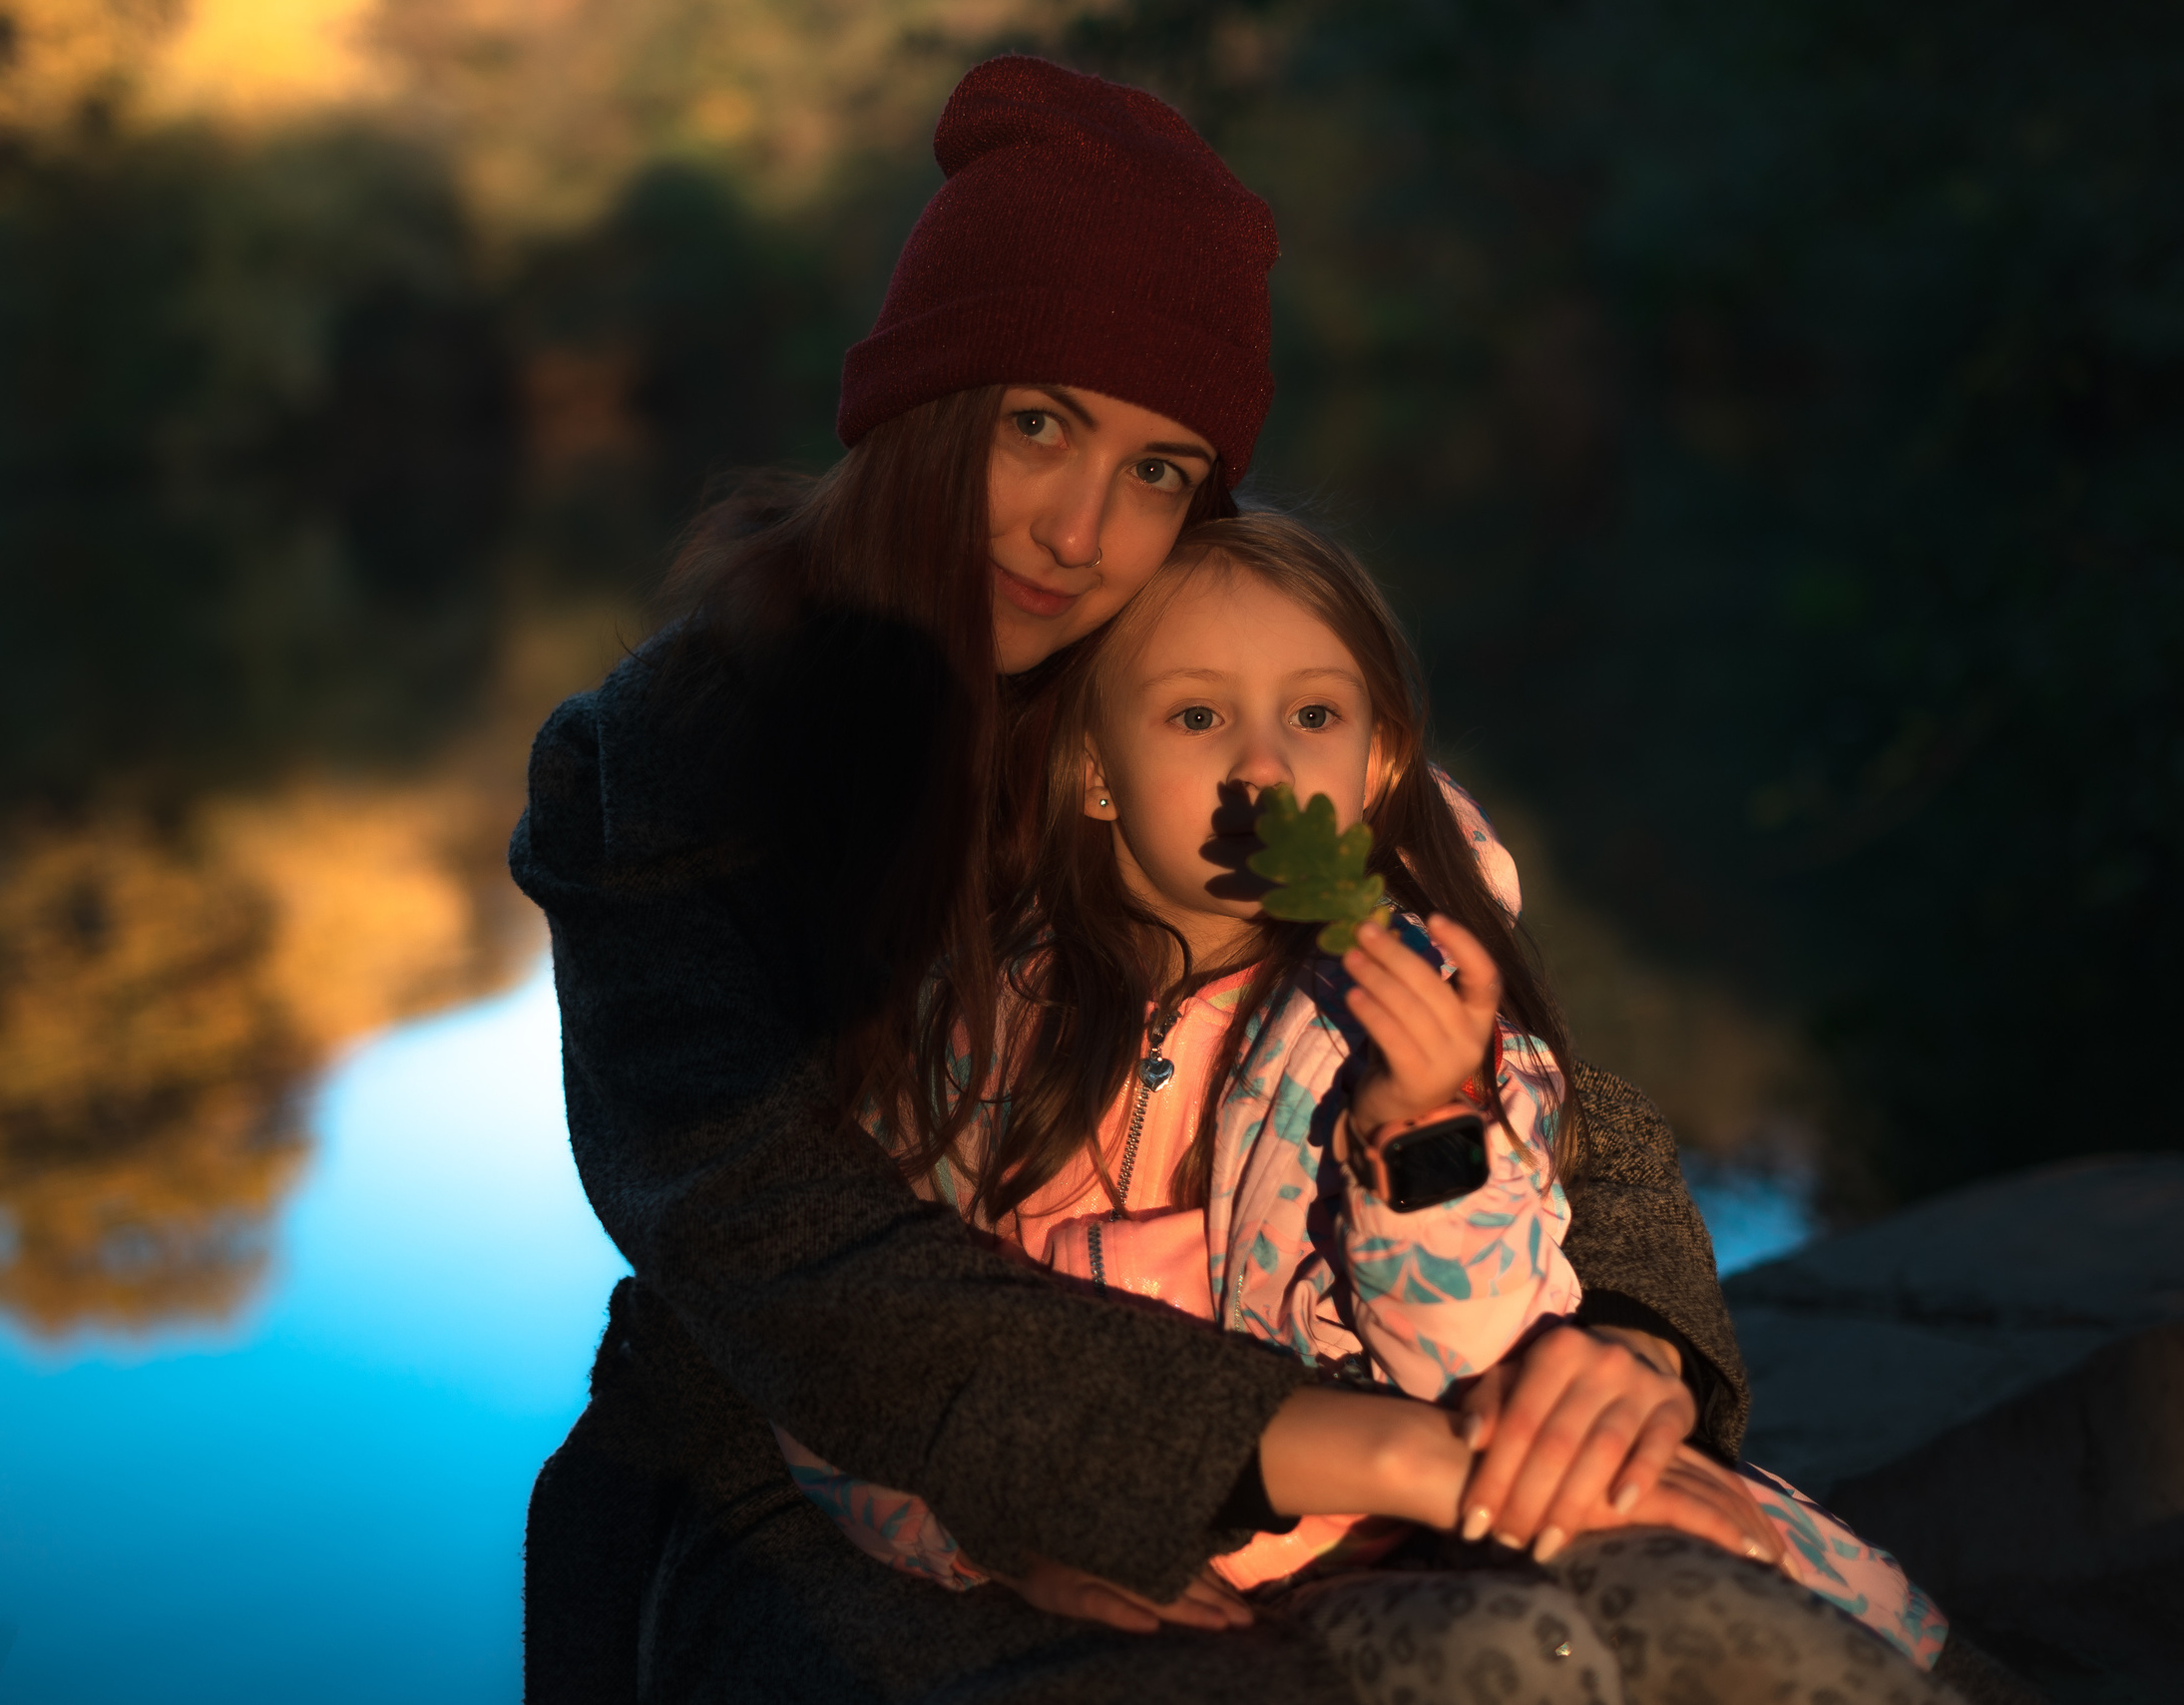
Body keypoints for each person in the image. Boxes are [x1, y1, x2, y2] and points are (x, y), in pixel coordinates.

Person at [512, 53, 1978, 1704]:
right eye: (1038, 426)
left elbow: (1514, 1057)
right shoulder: (665, 769)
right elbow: (797, 1262)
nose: (1080, 531)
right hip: (809, 1480)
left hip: (1321, 1414)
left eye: (1157, 469)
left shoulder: (1209, 675)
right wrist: (1386, 1456)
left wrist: (1622, 1344)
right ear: (920, 402)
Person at [770, 515, 1953, 1699]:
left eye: (1314, 716)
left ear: (1379, 760)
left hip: (1452, 1530)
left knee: (1670, 1610)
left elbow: (1483, 1356)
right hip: (1206, 1596)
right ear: (1087, 767)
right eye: (1197, 717)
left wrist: (1427, 1128)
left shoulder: (1404, 1014)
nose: (1264, 766)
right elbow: (860, 1363)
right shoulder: (962, 1038)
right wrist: (1011, 1539)